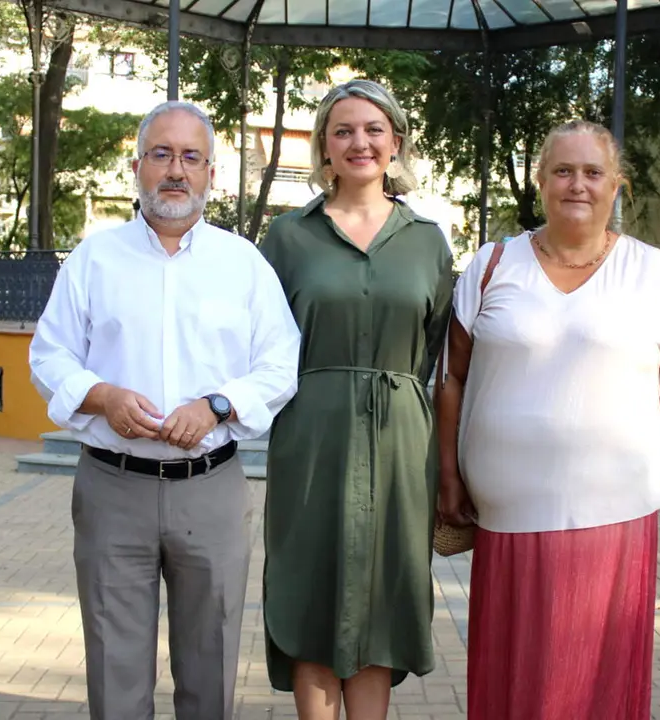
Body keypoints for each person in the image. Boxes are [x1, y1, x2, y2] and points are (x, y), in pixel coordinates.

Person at [29, 100, 301, 720]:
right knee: (114, 669)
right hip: (112, 486)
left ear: (210, 173)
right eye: (161, 154)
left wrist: (218, 405)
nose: (175, 170)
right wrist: (102, 396)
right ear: (137, 166)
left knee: (210, 665)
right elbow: (50, 356)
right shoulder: (93, 260)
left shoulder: (244, 265)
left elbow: (280, 364)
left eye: (190, 157)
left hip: (210, 488)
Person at [437, 119, 660, 720]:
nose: (577, 185)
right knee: (516, 676)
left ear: (618, 186)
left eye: (592, 173)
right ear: (540, 182)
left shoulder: (653, 273)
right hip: (508, 516)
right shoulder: (492, 264)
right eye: (563, 171)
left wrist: (620, 410)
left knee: (595, 679)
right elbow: (452, 376)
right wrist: (449, 477)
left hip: (614, 514)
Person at [258, 79, 453, 720]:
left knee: (382, 592)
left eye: (373, 129)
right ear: (324, 146)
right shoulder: (286, 238)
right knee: (312, 582)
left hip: (400, 435)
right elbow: (260, 342)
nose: (359, 142)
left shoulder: (428, 240)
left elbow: (439, 353)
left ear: (395, 140)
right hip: (311, 433)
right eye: (343, 130)